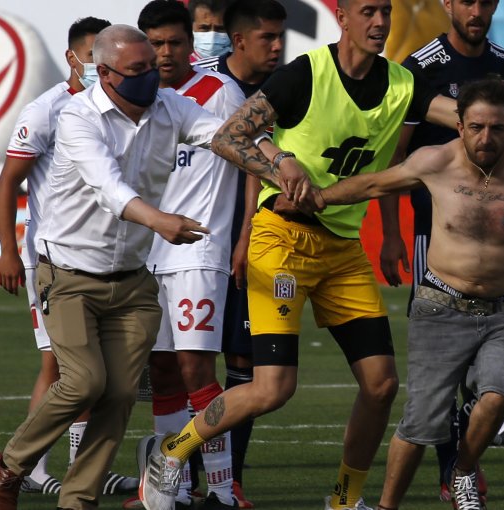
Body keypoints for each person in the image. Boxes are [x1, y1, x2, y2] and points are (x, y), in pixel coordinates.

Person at [135, 0, 504, 509]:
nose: (380, 22)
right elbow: (230, 136)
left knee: (380, 386)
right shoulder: (306, 74)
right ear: (344, 18)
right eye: (369, 12)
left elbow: (480, 118)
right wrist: (282, 167)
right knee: (273, 389)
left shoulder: (403, 84)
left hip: (341, 248)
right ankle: (172, 451)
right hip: (283, 242)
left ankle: (343, 498)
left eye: (386, 13)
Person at [310, 77, 504, 510]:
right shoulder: (435, 161)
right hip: (439, 307)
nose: (486, 137)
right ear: (459, 125)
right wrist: (316, 198)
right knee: (421, 423)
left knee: (499, 393)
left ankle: (461, 469)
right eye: (477, 126)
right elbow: (373, 185)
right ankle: (387, 506)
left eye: (498, 128)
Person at [0, 23, 226, 510]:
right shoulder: (65, 113)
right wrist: (8, 250)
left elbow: (224, 135)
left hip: (132, 277)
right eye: (139, 69)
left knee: (119, 395)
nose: (154, 74)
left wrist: (277, 155)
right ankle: (11, 465)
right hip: (67, 271)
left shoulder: (168, 106)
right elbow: (106, 189)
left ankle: (77, 500)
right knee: (81, 381)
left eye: (154, 64)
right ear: (98, 70)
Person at [381, 0, 504, 495]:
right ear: (447, 4)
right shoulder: (419, 68)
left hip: (503, 235)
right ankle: (454, 470)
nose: (477, 9)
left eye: (486, 1)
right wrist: (392, 233)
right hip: (435, 230)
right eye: (467, 0)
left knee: (492, 367)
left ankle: (459, 465)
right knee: (446, 363)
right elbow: (394, 158)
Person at [0, 15, 141, 499]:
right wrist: (9, 253)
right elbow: (9, 182)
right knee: (58, 368)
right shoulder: (48, 110)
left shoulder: (121, 108)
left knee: (97, 375)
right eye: (89, 54)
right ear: (73, 58)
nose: (96, 64)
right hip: (52, 258)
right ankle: (29, 468)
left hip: (107, 258)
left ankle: (84, 469)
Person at [137, 2, 246, 509]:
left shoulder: (219, 93)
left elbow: (249, 163)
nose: (165, 53)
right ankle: (172, 486)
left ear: (190, 44)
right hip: (146, 254)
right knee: (161, 372)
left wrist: (243, 238)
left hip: (199, 253)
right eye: (155, 44)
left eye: (175, 43)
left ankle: (222, 487)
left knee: (196, 371)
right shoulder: (136, 98)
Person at [194, 3, 286, 505]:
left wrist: (248, 232)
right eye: (267, 38)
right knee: (187, 364)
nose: (277, 47)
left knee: (246, 361)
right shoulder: (205, 86)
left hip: (255, 245)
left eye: (281, 37)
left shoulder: (285, 90)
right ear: (240, 39)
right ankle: (179, 472)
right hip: (198, 246)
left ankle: (231, 480)